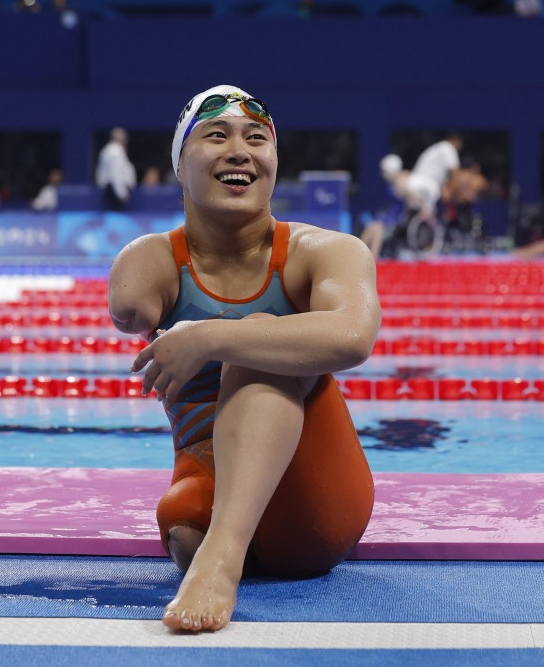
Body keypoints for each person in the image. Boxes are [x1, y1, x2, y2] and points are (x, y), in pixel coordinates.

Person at [109, 85, 380, 633]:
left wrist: (210, 337)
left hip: (320, 499)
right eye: (216, 135)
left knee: (259, 339)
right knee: (181, 522)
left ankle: (223, 558)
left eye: (257, 139)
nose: (240, 150)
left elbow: (354, 337)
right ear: (179, 167)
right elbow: (127, 304)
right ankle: (219, 544)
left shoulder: (325, 251)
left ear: (275, 163)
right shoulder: (154, 263)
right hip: (206, 484)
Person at [383, 133, 463, 222]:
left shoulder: (440, 148)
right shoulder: (448, 147)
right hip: (427, 185)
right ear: (456, 140)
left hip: (426, 186)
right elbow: (455, 173)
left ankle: (429, 214)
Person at [95, 127, 137, 211]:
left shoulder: (108, 150)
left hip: (112, 189)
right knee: (116, 218)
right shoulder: (115, 152)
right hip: (114, 192)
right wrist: (121, 193)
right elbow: (116, 174)